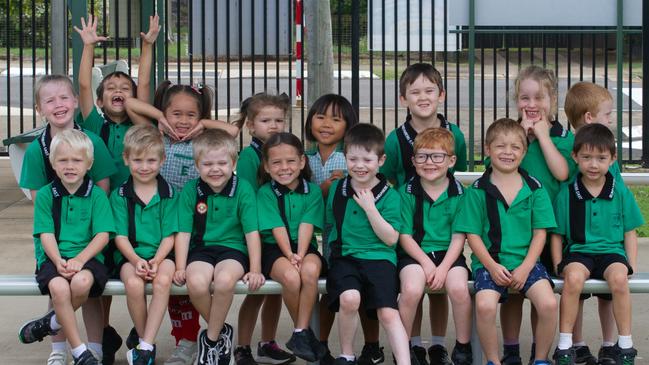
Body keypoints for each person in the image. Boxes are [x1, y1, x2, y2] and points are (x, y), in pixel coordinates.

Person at [126, 81, 238, 365]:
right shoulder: (156, 136)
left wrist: (203, 124)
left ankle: (204, 335)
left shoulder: (203, 141)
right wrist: (161, 119)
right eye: (177, 113)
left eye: (191, 114)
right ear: (164, 113)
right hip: (161, 222)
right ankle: (185, 340)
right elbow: (130, 105)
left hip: (192, 223)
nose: (184, 120)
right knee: (175, 287)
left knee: (186, 283)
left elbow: (233, 131)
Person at [74, 16, 161, 363]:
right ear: (99, 99)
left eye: (124, 87)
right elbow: (82, 86)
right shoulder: (94, 123)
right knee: (103, 272)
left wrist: (148, 46)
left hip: (137, 212)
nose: (119, 91)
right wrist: (89, 46)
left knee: (134, 271)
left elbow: (142, 84)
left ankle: (139, 333)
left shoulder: (143, 124)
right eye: (111, 87)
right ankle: (104, 333)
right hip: (103, 212)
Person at [19, 74, 117, 365]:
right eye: (49, 100)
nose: (58, 105)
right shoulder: (38, 150)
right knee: (58, 286)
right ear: (40, 108)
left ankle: (93, 350)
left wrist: (88, 246)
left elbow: (102, 190)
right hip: (56, 242)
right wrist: (57, 254)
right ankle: (59, 351)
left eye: (64, 98)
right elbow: (41, 207)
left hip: (90, 240)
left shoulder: (93, 143)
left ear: (75, 101)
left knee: (90, 293)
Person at [381, 63, 467, 364]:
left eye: (429, 90)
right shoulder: (395, 139)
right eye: (414, 91)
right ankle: (411, 344)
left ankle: (440, 345)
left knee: (443, 288)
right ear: (403, 98)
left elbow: (459, 172)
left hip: (443, 222)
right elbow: (390, 178)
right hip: (412, 223)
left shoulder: (455, 134)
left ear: (441, 94)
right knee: (414, 287)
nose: (423, 97)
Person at [455, 118, 558, 365]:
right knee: (485, 306)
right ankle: (493, 360)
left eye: (515, 147)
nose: (508, 152)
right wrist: (490, 266)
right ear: (488, 150)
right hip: (491, 263)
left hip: (527, 263)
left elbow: (540, 234)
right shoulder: (477, 191)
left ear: (524, 152)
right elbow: (473, 235)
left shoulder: (535, 189)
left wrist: (524, 267)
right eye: (500, 146)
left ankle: (541, 359)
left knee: (548, 304)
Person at [499, 65, 575, 365]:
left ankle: (538, 350)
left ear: (552, 99)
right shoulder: (510, 134)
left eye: (539, 98)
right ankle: (512, 349)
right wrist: (523, 139)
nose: (531, 105)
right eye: (524, 97)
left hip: (550, 230)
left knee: (539, 291)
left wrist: (542, 137)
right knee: (514, 291)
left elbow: (562, 172)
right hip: (515, 229)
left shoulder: (562, 137)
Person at [551, 124, 643, 365]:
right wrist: (558, 263)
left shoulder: (620, 192)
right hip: (579, 253)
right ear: (575, 157)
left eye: (601, 158)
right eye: (587, 157)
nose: (593, 164)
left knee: (619, 279)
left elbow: (630, 232)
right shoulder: (567, 193)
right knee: (572, 280)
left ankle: (624, 345)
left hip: (611, 253)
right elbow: (557, 235)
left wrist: (630, 264)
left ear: (612, 159)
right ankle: (565, 344)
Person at [174, 129, 265, 365]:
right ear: (197, 165)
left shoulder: (243, 189)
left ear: (233, 162)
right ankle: (222, 332)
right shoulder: (190, 190)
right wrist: (181, 267)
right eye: (207, 164)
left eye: (222, 163)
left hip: (233, 249)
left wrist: (255, 268)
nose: (215, 169)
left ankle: (210, 342)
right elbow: (183, 233)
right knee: (195, 283)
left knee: (225, 281)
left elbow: (251, 233)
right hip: (202, 249)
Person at [325, 123, 410, 365]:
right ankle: (347, 355)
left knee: (387, 311)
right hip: (346, 257)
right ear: (345, 158)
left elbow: (391, 238)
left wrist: (371, 208)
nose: (359, 166)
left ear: (381, 160)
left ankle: (404, 361)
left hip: (379, 257)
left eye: (367, 159)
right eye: (353, 159)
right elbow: (331, 225)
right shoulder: (337, 190)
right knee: (349, 298)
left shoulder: (391, 196)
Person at [397, 128, 472, 365]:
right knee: (411, 289)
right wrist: (428, 264)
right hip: (415, 254)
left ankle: (458, 347)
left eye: (437, 156)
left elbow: (459, 237)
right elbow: (405, 236)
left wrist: (442, 268)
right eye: (422, 156)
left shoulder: (461, 193)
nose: (429, 162)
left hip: (449, 255)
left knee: (458, 288)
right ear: (413, 160)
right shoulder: (406, 192)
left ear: (451, 160)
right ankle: (407, 346)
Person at [233, 93, 296, 365]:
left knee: (277, 291)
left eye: (279, 120)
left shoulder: (285, 152)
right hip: (257, 236)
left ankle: (267, 342)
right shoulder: (249, 157)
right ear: (250, 125)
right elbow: (246, 200)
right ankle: (243, 347)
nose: (273, 125)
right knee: (256, 293)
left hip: (280, 234)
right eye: (265, 120)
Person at [256, 132, 327, 362]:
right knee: (291, 277)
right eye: (276, 162)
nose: (284, 167)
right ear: (266, 166)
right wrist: (289, 255)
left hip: (304, 246)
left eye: (290, 161)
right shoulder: (265, 193)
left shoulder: (313, 191)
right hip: (275, 248)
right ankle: (306, 334)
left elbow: (307, 225)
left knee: (309, 271)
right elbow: (276, 227)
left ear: (302, 162)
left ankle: (299, 333)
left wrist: (299, 254)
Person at [110, 124, 177, 365]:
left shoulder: (169, 193)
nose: (145, 166)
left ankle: (145, 347)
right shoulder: (119, 195)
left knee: (162, 280)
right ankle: (144, 341)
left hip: (163, 255)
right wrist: (137, 261)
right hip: (131, 256)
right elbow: (120, 236)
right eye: (138, 160)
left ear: (162, 160)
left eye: (151, 160)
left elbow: (171, 235)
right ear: (126, 159)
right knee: (132, 283)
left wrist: (157, 261)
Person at [562, 81, 618, 365]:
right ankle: (578, 343)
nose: (612, 120)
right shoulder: (572, 152)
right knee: (578, 292)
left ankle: (609, 344)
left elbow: (617, 197)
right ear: (589, 117)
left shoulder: (608, 156)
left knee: (608, 294)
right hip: (579, 241)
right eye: (608, 114)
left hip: (609, 240)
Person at [302, 93, 358, 365]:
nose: (326, 124)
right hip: (309, 235)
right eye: (320, 116)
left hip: (340, 237)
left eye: (336, 119)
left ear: (348, 126)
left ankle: (322, 341)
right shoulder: (303, 158)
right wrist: (322, 189)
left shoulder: (350, 159)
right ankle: (317, 341)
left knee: (333, 289)